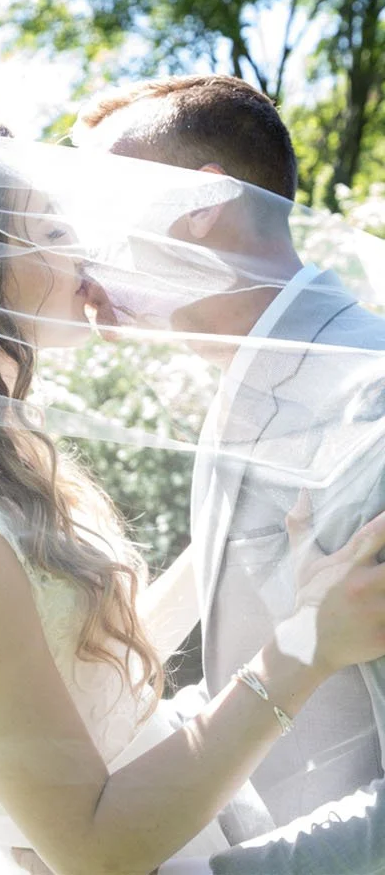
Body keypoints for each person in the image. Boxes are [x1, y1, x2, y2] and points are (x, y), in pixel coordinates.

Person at [0, 119, 385, 875]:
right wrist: (307, 643)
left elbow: (84, 656)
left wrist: (240, 535)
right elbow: (92, 845)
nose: (81, 248)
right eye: (46, 227)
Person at [76, 74, 385, 873]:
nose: (81, 252)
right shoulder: (243, 382)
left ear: (200, 202)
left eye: (102, 206)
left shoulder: (368, 405)